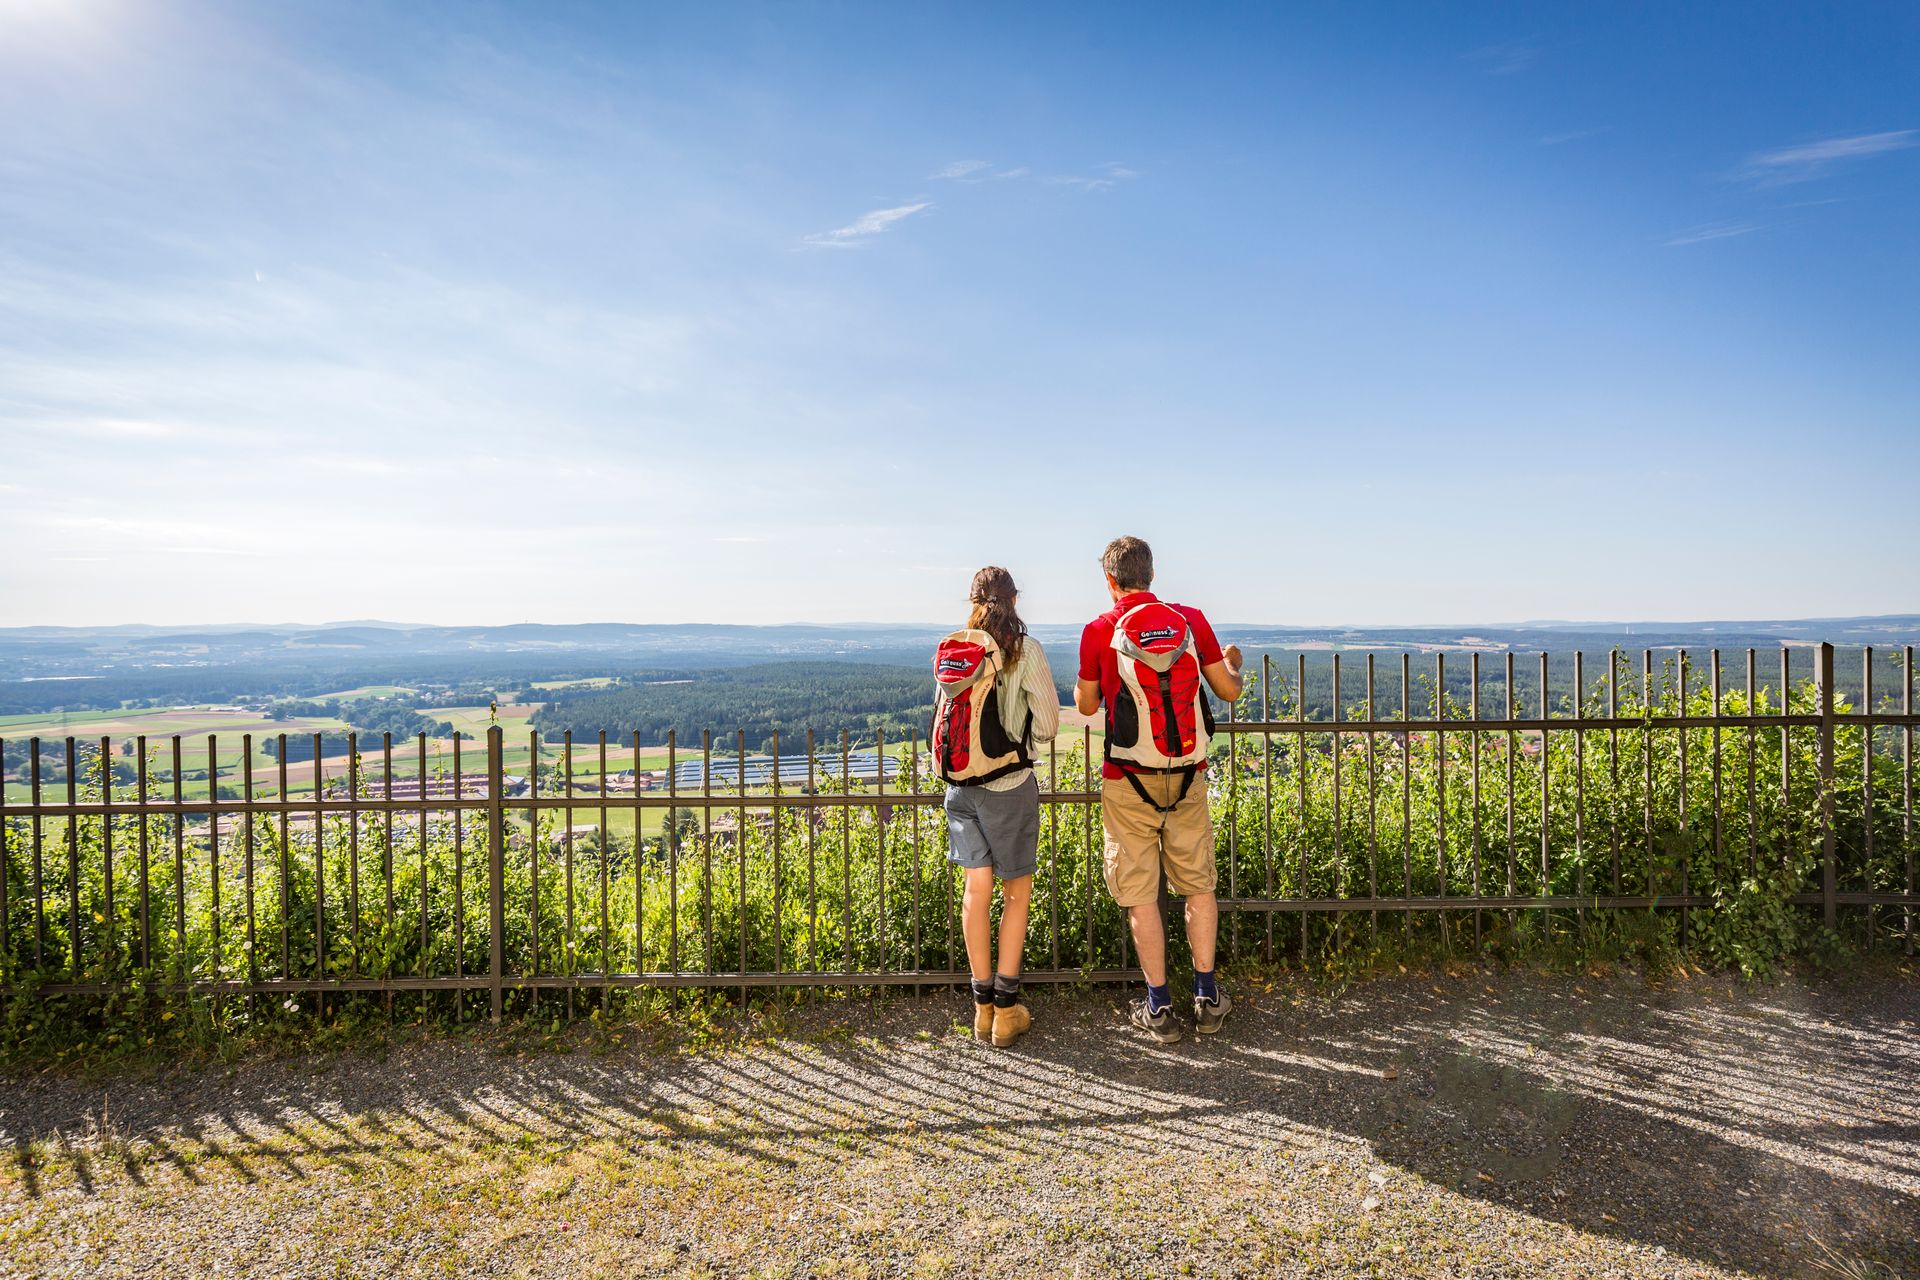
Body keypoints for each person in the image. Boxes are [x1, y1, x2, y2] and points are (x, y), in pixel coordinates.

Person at [1075, 536, 1242, 1043]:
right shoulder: (1190, 619)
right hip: (1188, 776)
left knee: (1141, 892)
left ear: (1110, 581)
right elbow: (1228, 690)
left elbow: (1084, 707)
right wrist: (1234, 663)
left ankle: (1160, 1008)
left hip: (1128, 780)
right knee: (1198, 885)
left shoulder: (1098, 630)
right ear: (1152, 574)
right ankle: (1208, 999)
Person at [931, 566, 1059, 1048]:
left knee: (974, 893)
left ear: (972, 600)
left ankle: (980, 1008)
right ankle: (1006, 1012)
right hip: (1008, 785)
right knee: (1016, 895)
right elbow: (1047, 725)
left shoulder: (953, 651)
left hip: (959, 788)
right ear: (1015, 599)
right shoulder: (1024, 651)